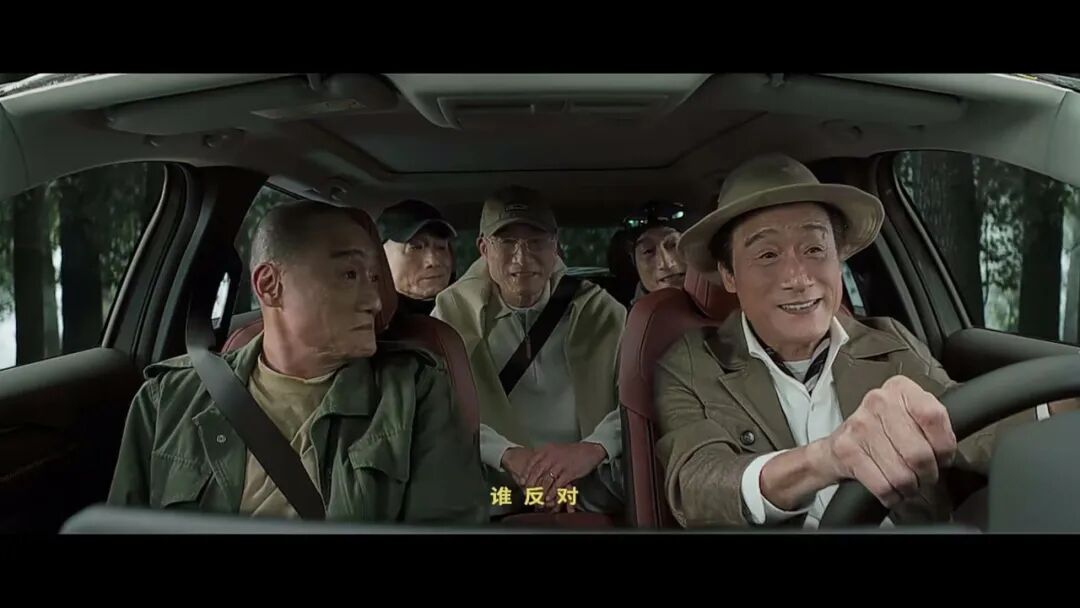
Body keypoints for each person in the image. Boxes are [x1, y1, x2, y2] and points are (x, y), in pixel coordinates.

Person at [654, 154, 1038, 528]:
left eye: (815, 249)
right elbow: (697, 484)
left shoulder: (889, 342)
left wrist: (1056, 407)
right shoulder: (692, 364)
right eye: (768, 254)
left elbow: (969, 423)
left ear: (838, 258)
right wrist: (825, 459)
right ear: (729, 275)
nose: (798, 278)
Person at [108, 200, 487, 524]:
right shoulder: (168, 399)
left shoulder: (413, 392)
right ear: (270, 286)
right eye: (349, 275)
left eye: (374, 278)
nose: (374, 301)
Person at [432, 186, 627, 518]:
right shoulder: (451, 313)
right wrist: (505, 454)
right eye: (507, 243)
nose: (522, 259)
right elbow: (436, 407)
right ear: (483, 248)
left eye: (536, 242)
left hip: (586, 481)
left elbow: (638, 402)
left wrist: (592, 449)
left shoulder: (601, 311)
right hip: (494, 482)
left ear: (555, 246)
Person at [377, 199, 457, 315]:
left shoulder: (469, 308)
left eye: (441, 247)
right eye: (416, 247)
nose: (433, 261)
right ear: (381, 256)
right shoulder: (370, 318)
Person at [623, 201, 690, 305]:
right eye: (648, 251)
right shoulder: (628, 316)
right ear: (634, 260)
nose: (666, 263)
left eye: (674, 245)